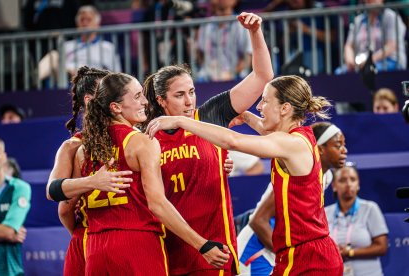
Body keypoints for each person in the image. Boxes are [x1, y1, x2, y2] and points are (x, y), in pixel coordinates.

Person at [146, 75, 343, 275]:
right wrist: (246, 116)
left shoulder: (291, 144)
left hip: (308, 255)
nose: (260, 107)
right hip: (304, 252)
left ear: (284, 108)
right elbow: (266, 134)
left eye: (265, 101)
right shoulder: (297, 138)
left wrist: (181, 121)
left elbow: (233, 141)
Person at [141, 11, 273, 275]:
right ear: (161, 101)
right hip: (169, 252)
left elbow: (262, 76)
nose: (189, 101)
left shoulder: (209, 116)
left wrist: (255, 33)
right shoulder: (146, 136)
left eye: (191, 92)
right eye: (179, 95)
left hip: (217, 249)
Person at [75, 72, 229, 275]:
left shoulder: (84, 149)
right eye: (137, 96)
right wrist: (202, 244)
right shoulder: (142, 141)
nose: (145, 102)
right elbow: (156, 203)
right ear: (116, 107)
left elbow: (64, 206)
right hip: (137, 244)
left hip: (95, 248)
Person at [45, 66, 134, 276]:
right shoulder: (134, 139)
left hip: (91, 238)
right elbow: (56, 196)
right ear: (89, 100)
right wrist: (94, 181)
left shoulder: (76, 146)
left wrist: (80, 233)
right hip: (120, 239)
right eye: (105, 91)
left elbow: (64, 210)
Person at [234, 121, 347, 275]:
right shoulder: (297, 171)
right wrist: (291, 255)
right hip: (256, 251)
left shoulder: (327, 176)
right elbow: (258, 221)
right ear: (320, 149)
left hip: (281, 251)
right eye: (338, 145)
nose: (344, 150)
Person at [325, 165, 388, 276]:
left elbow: (382, 247)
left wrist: (350, 252)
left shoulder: (370, 208)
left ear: (358, 185)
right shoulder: (325, 213)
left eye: (353, 179)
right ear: (334, 186)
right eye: (343, 180)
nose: (348, 184)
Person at [38, 5, 122, 81]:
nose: (85, 23)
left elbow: (116, 74)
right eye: (82, 20)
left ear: (97, 24)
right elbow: (58, 68)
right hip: (68, 78)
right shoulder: (67, 45)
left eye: (88, 20)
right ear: (77, 25)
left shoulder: (107, 47)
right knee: (53, 55)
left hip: (93, 81)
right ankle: (33, 79)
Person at [336, 0, 407, 74]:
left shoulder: (391, 17)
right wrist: (350, 61)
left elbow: (391, 46)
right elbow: (349, 46)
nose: (370, 1)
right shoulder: (358, 20)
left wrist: (370, 60)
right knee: (339, 72)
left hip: (389, 61)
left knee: (369, 71)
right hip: (361, 64)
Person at [0, 136, 31, 276]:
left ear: (4, 157)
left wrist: (8, 232)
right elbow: (6, 233)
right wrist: (3, 232)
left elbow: (9, 231)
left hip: (9, 271)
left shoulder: (19, 188)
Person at [196, 0, 252, 81]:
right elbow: (200, 53)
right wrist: (210, 71)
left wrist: (231, 74)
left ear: (235, 1)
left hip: (236, 76)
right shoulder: (206, 24)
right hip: (208, 76)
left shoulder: (241, 25)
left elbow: (247, 56)